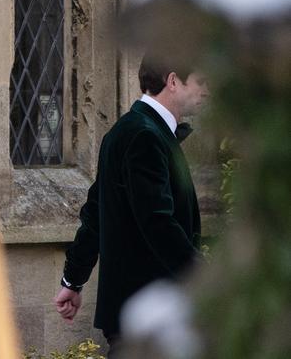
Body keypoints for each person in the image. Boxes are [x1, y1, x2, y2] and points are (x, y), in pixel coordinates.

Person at [53, 50, 209, 356]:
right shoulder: (144, 136)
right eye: (200, 81)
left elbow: (96, 213)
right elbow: (158, 223)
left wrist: (73, 279)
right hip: (148, 318)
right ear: (173, 81)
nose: (207, 91)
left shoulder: (131, 131)